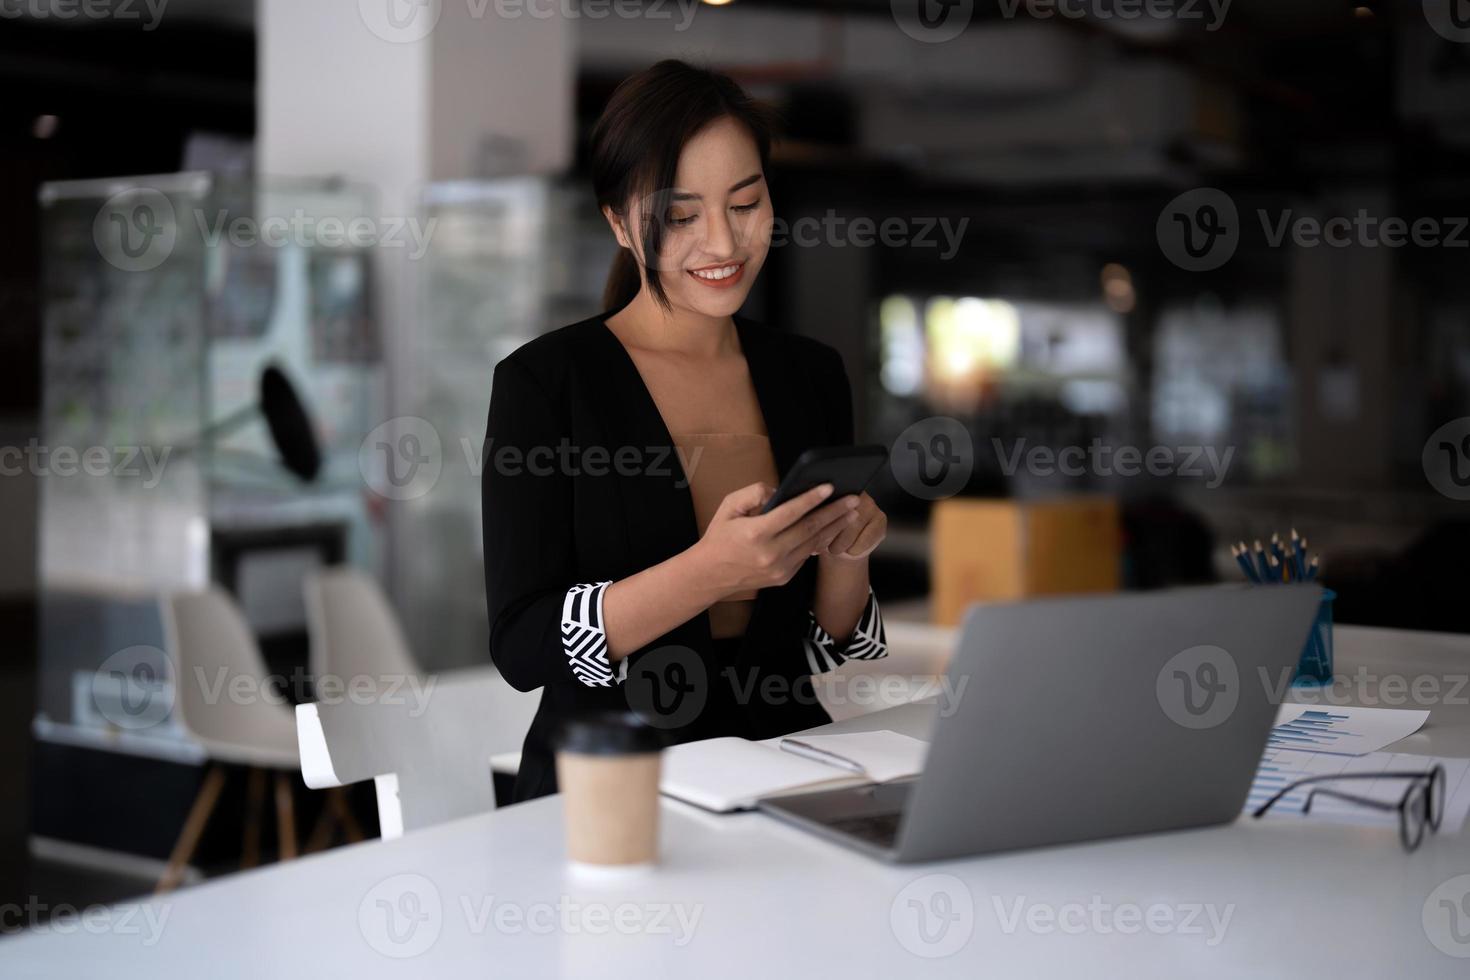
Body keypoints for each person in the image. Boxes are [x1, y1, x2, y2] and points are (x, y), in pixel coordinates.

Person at [482, 59, 889, 803]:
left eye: (746, 202)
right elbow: (522, 644)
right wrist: (710, 571)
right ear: (619, 223)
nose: (724, 242)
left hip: (783, 770)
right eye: (679, 216)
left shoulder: (811, 374)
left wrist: (849, 553)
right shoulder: (545, 384)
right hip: (612, 788)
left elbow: (822, 641)